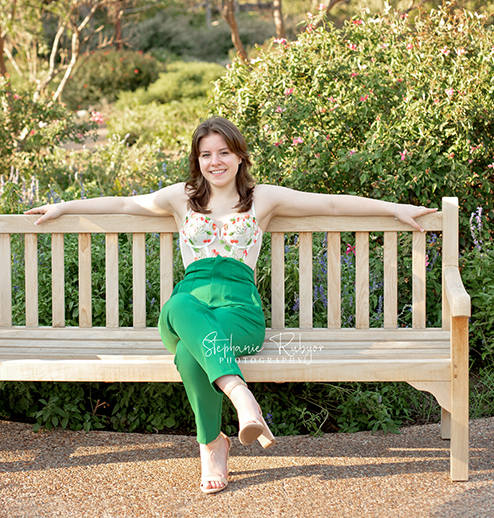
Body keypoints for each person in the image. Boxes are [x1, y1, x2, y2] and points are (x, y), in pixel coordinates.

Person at [26, 116, 436, 494]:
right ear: (197, 160)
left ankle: (212, 446)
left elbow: (329, 204)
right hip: (188, 308)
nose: (214, 161)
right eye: (205, 154)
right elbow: (121, 204)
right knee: (178, 305)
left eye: (223, 152)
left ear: (240, 156)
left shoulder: (263, 199)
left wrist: (394, 209)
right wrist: (64, 207)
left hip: (240, 314)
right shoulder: (180, 199)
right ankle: (240, 394)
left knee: (190, 352)